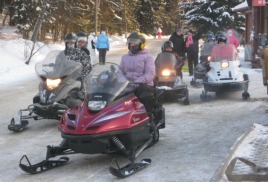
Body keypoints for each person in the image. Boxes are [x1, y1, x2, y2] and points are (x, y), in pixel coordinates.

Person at [118, 32, 156, 119]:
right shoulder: (124, 57)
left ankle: (149, 116)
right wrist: (122, 81)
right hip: (127, 84)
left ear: (141, 44)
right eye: (130, 43)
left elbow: (150, 74)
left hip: (143, 85)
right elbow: (120, 71)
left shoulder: (148, 57)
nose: (131, 45)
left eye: (134, 42)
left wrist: (136, 82)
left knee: (141, 92)